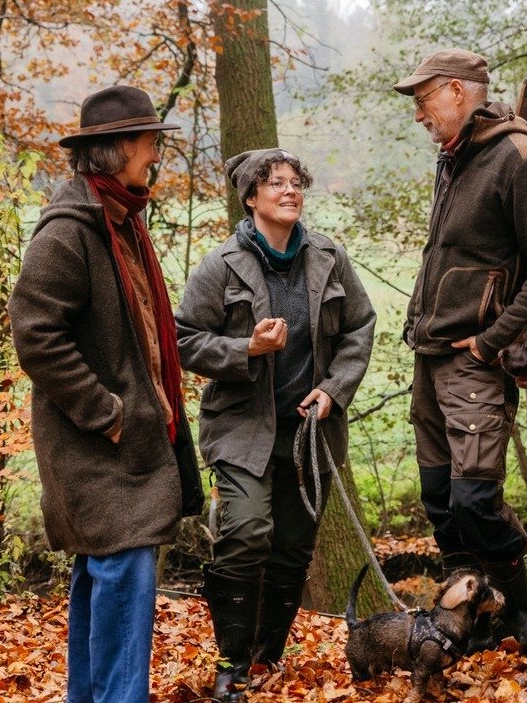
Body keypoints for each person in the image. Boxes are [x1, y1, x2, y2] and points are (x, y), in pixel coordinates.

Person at [8, 85, 203, 703]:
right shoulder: (69, 233)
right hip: (96, 446)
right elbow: (35, 335)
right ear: (117, 149)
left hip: (125, 442)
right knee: (123, 571)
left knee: (106, 576)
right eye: (148, 143)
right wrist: (109, 414)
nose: (156, 156)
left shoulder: (121, 221)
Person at [175, 148, 375, 703]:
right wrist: (247, 348)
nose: (290, 192)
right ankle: (231, 664)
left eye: (295, 183)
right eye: (276, 183)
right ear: (250, 198)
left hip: (311, 434)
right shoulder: (221, 265)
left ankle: (266, 656)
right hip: (242, 429)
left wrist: (334, 389)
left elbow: (360, 326)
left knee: (292, 549)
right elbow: (185, 339)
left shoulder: (329, 257)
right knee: (245, 534)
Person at [393, 48, 527, 652]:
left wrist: (495, 339)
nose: (418, 114)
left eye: (423, 100)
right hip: (430, 353)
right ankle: (465, 617)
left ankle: (520, 608)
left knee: (475, 499)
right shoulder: (455, 157)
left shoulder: (520, 158)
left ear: (455, 91)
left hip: (475, 359)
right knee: (440, 499)